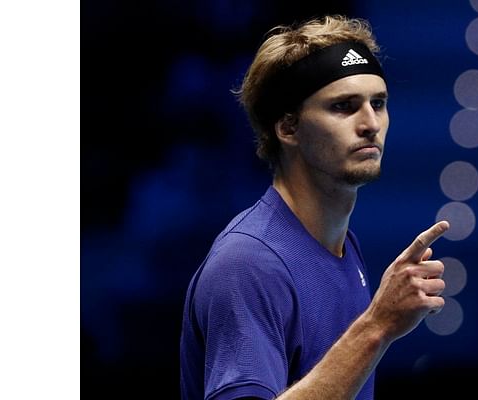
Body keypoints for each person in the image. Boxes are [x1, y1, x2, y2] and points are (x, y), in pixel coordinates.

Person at [179, 15, 450, 400]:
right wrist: (376, 326)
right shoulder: (248, 263)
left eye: (379, 103)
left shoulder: (343, 246)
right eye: (343, 106)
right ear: (288, 128)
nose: (371, 123)